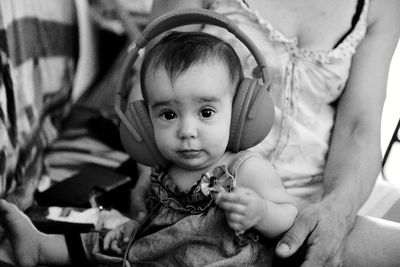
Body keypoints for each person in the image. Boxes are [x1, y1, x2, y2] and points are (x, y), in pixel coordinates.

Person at [126, 0, 400, 266]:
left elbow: (359, 127)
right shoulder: (218, 177)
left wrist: (338, 210)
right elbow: (151, 82)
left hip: (325, 192)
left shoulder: (382, 5)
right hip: (221, 176)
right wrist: (150, 176)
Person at [0, 31, 299, 266]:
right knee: (105, 245)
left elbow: (288, 214)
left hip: (220, 261)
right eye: (168, 115)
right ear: (144, 123)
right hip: (157, 254)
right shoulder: (164, 168)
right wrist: (135, 227)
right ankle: (39, 247)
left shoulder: (245, 170)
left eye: (206, 112)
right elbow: (158, 224)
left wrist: (261, 213)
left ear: (237, 114)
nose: (186, 131)